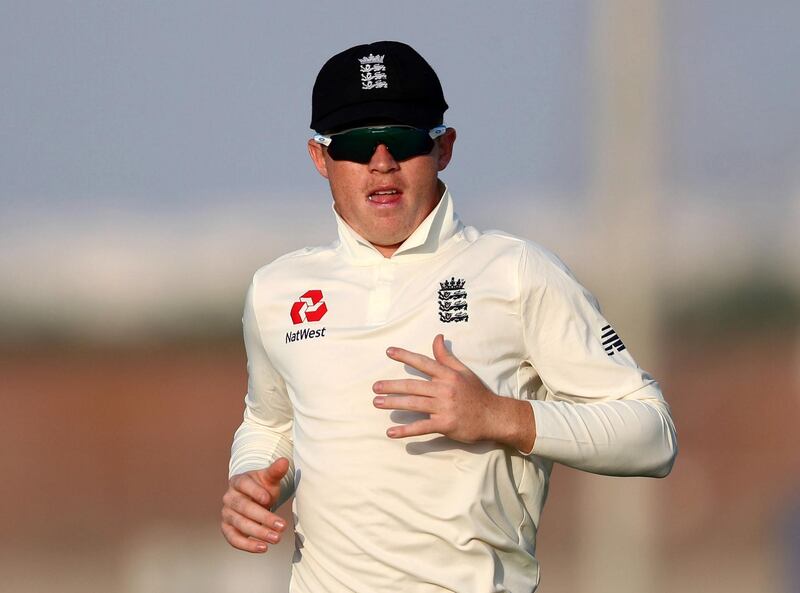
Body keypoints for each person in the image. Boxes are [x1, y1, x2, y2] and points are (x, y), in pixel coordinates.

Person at [220, 40, 677, 592]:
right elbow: (273, 424)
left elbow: (652, 434)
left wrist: (500, 416)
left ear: (444, 148)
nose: (381, 162)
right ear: (321, 158)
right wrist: (253, 480)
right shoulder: (276, 290)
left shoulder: (516, 271)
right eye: (358, 144)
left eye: (406, 140)